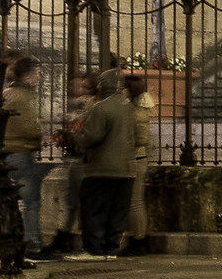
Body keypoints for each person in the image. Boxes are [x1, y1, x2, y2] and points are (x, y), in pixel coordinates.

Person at [72, 72, 136, 259]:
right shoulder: (129, 107)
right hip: (126, 169)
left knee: (94, 210)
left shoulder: (101, 108)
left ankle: (94, 250)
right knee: (117, 211)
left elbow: (92, 136)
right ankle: (112, 248)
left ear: (103, 86)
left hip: (102, 168)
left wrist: (75, 137)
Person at [36, 74, 95, 259]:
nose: (80, 91)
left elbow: (84, 133)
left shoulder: (89, 107)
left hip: (82, 159)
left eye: (85, 87)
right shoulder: (79, 106)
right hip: (76, 158)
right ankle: (63, 237)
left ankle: (65, 239)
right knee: (72, 202)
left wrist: (70, 134)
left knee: (76, 203)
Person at [2, 56, 48, 260]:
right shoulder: (23, 97)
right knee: (31, 202)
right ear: (27, 75)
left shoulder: (7, 93)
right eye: (37, 72)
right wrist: (42, 133)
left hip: (10, 152)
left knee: (12, 202)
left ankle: (12, 242)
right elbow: (29, 126)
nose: (40, 76)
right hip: (21, 153)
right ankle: (33, 246)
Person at [119, 71, 156, 255]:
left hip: (136, 158)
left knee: (135, 202)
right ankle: (139, 237)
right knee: (134, 201)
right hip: (136, 157)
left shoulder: (135, 113)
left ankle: (139, 239)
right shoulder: (135, 110)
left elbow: (140, 138)